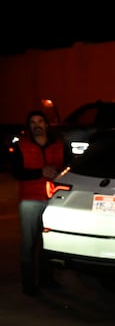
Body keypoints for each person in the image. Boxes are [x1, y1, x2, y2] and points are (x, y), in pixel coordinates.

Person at [10, 110, 65, 295]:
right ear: (29, 126)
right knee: (28, 244)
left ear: (46, 124)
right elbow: (17, 173)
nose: (37, 125)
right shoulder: (22, 147)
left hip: (53, 200)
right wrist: (39, 173)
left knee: (47, 242)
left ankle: (46, 280)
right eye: (33, 122)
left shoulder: (58, 145)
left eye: (40, 121)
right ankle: (29, 285)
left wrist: (59, 174)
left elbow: (68, 168)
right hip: (29, 201)